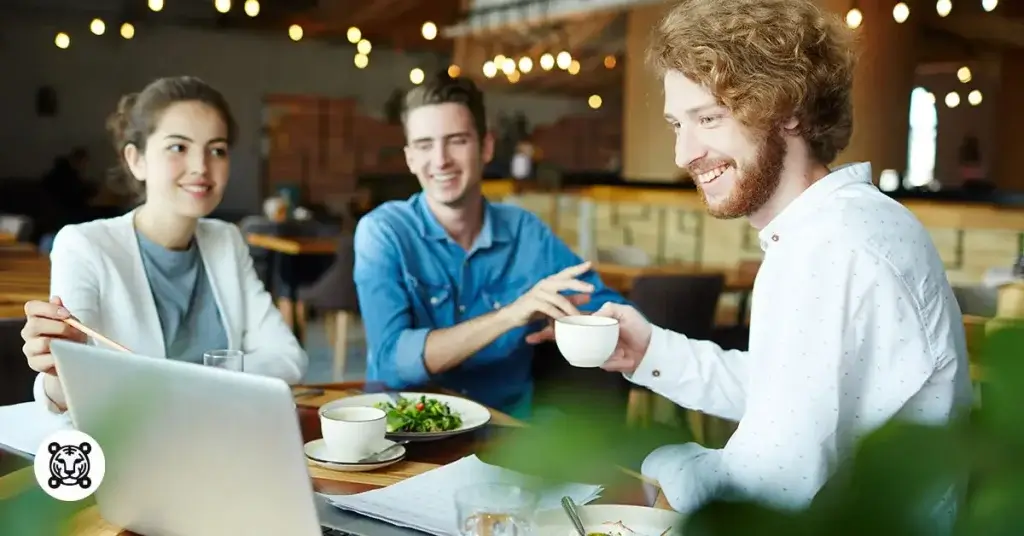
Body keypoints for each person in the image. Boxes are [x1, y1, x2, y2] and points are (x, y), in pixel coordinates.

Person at [581, 0, 971, 520]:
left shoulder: (831, 247)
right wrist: (650, 350)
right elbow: (787, 396)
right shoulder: (842, 223)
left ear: (786, 108)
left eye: (710, 118)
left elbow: (767, 486)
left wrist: (660, 461)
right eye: (678, 123)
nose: (684, 154)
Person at [21, 76, 307, 414]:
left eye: (217, 150)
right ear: (136, 159)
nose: (201, 167)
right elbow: (70, 381)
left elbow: (289, 358)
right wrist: (57, 368)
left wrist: (179, 384)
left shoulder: (226, 240)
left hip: (222, 437)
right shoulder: (84, 245)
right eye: (178, 147)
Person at [352, 72, 628, 418]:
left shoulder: (527, 233)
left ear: (486, 147)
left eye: (457, 140)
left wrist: (577, 324)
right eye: (425, 145)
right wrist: (510, 316)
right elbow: (391, 361)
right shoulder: (383, 232)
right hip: (405, 430)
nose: (440, 160)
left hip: (505, 435)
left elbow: (614, 311)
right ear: (410, 158)